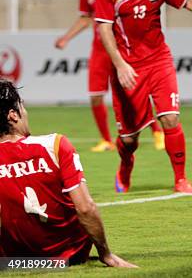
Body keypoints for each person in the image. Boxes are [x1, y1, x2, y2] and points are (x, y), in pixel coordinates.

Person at [94, 0, 192, 194]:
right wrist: (119, 65)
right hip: (127, 67)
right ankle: (125, 166)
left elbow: (187, 1)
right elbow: (104, 28)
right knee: (129, 139)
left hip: (159, 60)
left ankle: (181, 180)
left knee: (171, 119)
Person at [0, 79, 136, 268]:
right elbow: (86, 208)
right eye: (23, 109)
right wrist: (106, 254)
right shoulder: (55, 145)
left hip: (13, 262)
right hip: (69, 256)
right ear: (13, 115)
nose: (26, 114)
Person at [55, 0, 166, 153]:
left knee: (136, 92)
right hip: (99, 49)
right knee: (96, 95)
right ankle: (106, 140)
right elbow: (86, 17)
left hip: (122, 48)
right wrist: (66, 38)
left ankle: (157, 131)